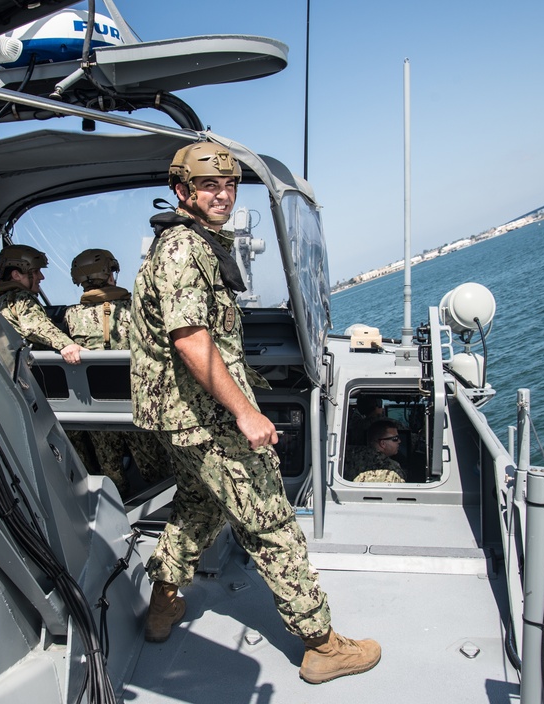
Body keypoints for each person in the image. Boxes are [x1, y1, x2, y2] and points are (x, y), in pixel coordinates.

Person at [129, 142, 380, 684]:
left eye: (229, 185)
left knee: (198, 506)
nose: (221, 195)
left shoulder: (187, 243)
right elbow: (192, 339)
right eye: (208, 186)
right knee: (270, 522)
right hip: (208, 420)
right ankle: (321, 644)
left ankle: (164, 603)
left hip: (180, 419)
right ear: (182, 192)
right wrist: (245, 412)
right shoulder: (181, 250)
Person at [63, 248, 172, 495]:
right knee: (157, 469)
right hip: (137, 406)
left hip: (95, 411)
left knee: (109, 471)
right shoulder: (138, 309)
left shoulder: (70, 316)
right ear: (110, 274)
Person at [0, 244, 84, 364]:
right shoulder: (20, 297)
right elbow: (34, 325)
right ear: (16, 275)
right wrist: (67, 345)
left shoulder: (0, 301)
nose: (41, 277)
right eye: (36, 271)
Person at [344, 419, 407, 483]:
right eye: (395, 439)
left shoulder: (349, 455)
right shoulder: (390, 467)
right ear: (383, 443)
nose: (399, 441)